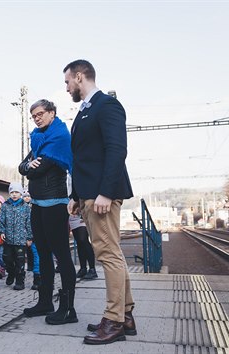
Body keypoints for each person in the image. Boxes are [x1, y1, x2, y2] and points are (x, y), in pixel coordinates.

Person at [64, 59, 136, 345]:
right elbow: (83, 158)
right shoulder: (85, 111)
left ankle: (114, 319)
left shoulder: (107, 105)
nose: (67, 87)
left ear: (80, 77)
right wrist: (76, 196)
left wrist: (106, 192)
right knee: (112, 253)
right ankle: (126, 315)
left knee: (108, 255)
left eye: (68, 81)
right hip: (89, 194)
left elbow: (117, 149)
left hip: (102, 194)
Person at [18, 98, 78, 326]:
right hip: (38, 203)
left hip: (54, 204)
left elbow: (37, 170)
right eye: (33, 116)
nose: (37, 118)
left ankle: (68, 308)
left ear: (52, 113)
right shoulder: (38, 139)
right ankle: (45, 301)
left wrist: (29, 167)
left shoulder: (59, 137)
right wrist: (27, 166)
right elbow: (23, 167)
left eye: (40, 114)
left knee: (61, 254)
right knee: (42, 252)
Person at [0, 182, 33, 290]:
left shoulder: (26, 207)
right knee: (6, 258)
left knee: (20, 261)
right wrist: (2, 231)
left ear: (21, 193)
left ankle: (19, 281)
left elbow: (29, 223)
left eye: (16, 192)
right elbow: (1, 220)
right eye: (12, 192)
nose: (14, 194)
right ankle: (11, 273)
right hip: (8, 239)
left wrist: (29, 237)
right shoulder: (5, 206)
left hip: (21, 240)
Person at [70, 214, 97, 280]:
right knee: (79, 242)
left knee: (83, 240)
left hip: (82, 216)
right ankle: (83, 268)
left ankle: (92, 269)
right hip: (72, 217)